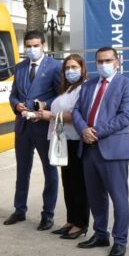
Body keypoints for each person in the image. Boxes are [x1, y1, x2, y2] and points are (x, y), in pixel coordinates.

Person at [72, 47, 129, 256]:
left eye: (108, 60)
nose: (103, 65)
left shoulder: (128, 85)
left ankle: (120, 240)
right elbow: (76, 111)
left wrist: (96, 132)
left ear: (117, 62)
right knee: (95, 197)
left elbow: (125, 117)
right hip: (89, 150)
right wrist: (83, 129)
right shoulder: (88, 85)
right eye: (100, 61)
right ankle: (100, 234)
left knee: (119, 198)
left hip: (113, 151)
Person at [5, 30, 62, 230]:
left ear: (43, 45)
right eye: (28, 46)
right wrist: (16, 105)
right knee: (22, 170)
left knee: (50, 171)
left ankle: (48, 214)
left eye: (35, 45)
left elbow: (61, 95)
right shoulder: (20, 67)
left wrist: (45, 105)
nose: (31, 49)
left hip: (43, 127)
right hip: (23, 127)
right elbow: (13, 94)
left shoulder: (55, 66)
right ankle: (19, 209)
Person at [36, 54, 89, 239]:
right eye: (67, 68)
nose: (70, 71)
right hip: (62, 140)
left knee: (78, 183)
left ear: (82, 69)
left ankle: (81, 223)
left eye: (74, 67)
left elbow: (76, 115)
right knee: (68, 183)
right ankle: (71, 220)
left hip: (75, 140)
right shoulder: (67, 89)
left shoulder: (84, 88)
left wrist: (49, 115)